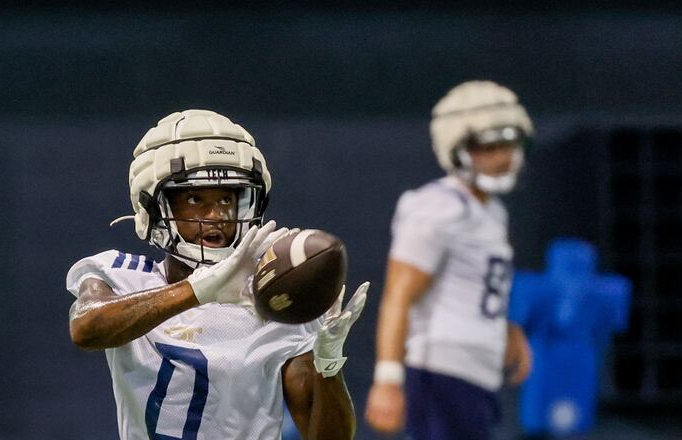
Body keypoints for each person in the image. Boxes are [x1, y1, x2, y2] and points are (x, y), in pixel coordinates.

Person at [66, 109, 368, 440]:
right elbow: (86, 329)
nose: (217, 215)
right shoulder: (123, 275)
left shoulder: (271, 298)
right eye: (196, 199)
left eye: (228, 198)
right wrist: (198, 290)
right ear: (152, 206)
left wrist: (329, 364)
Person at [365, 81, 534, 439]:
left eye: (508, 143)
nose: (502, 156)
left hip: (477, 374)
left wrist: (504, 328)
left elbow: (467, 286)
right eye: (488, 146)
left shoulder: (492, 211)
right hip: (440, 371)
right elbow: (399, 295)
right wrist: (388, 380)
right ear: (457, 148)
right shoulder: (438, 207)